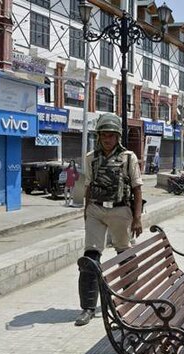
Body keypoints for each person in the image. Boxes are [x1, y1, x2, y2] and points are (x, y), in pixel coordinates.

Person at [75, 113, 143, 326]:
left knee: (125, 255)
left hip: (120, 210)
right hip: (96, 209)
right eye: (104, 134)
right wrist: (86, 212)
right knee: (89, 259)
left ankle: (128, 300)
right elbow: (87, 185)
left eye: (111, 135)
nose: (107, 139)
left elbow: (137, 188)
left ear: (117, 137)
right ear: (99, 136)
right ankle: (87, 307)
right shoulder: (90, 157)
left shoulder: (129, 157)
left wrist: (137, 218)